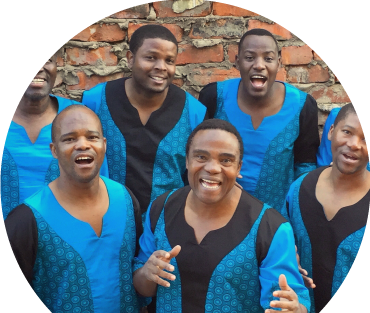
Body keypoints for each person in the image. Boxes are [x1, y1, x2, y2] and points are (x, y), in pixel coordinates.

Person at [133, 119, 310, 313]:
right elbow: (142, 286)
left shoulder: (270, 227)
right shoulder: (161, 210)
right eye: (201, 156)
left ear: (239, 167)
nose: (212, 168)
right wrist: (147, 273)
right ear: (187, 160)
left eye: (226, 160)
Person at [5, 105, 149, 313]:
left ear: (104, 145)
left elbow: (137, 270)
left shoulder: (127, 200)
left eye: (92, 137)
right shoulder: (26, 220)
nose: (83, 145)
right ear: (54, 150)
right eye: (69, 139)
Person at [82, 24, 207, 220]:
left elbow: (196, 173)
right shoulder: (96, 102)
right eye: (151, 57)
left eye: (169, 60)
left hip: (168, 223)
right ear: (130, 59)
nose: (161, 67)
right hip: (105, 221)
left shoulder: (193, 112)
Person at [199, 28, 319, 212]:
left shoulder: (302, 106)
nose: (259, 65)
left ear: (279, 63)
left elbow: (305, 166)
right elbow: (197, 155)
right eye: (249, 57)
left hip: (275, 219)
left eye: (268, 58)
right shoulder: (214, 97)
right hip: (217, 211)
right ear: (237, 62)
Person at [282, 103, 369, 313]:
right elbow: (284, 252)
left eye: (365, 139)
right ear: (331, 131)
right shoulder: (300, 189)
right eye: (347, 132)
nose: (353, 144)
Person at [0, 50, 86, 220]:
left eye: (47, 60)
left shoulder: (78, 117)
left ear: (56, 66)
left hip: (63, 237)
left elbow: (97, 185)